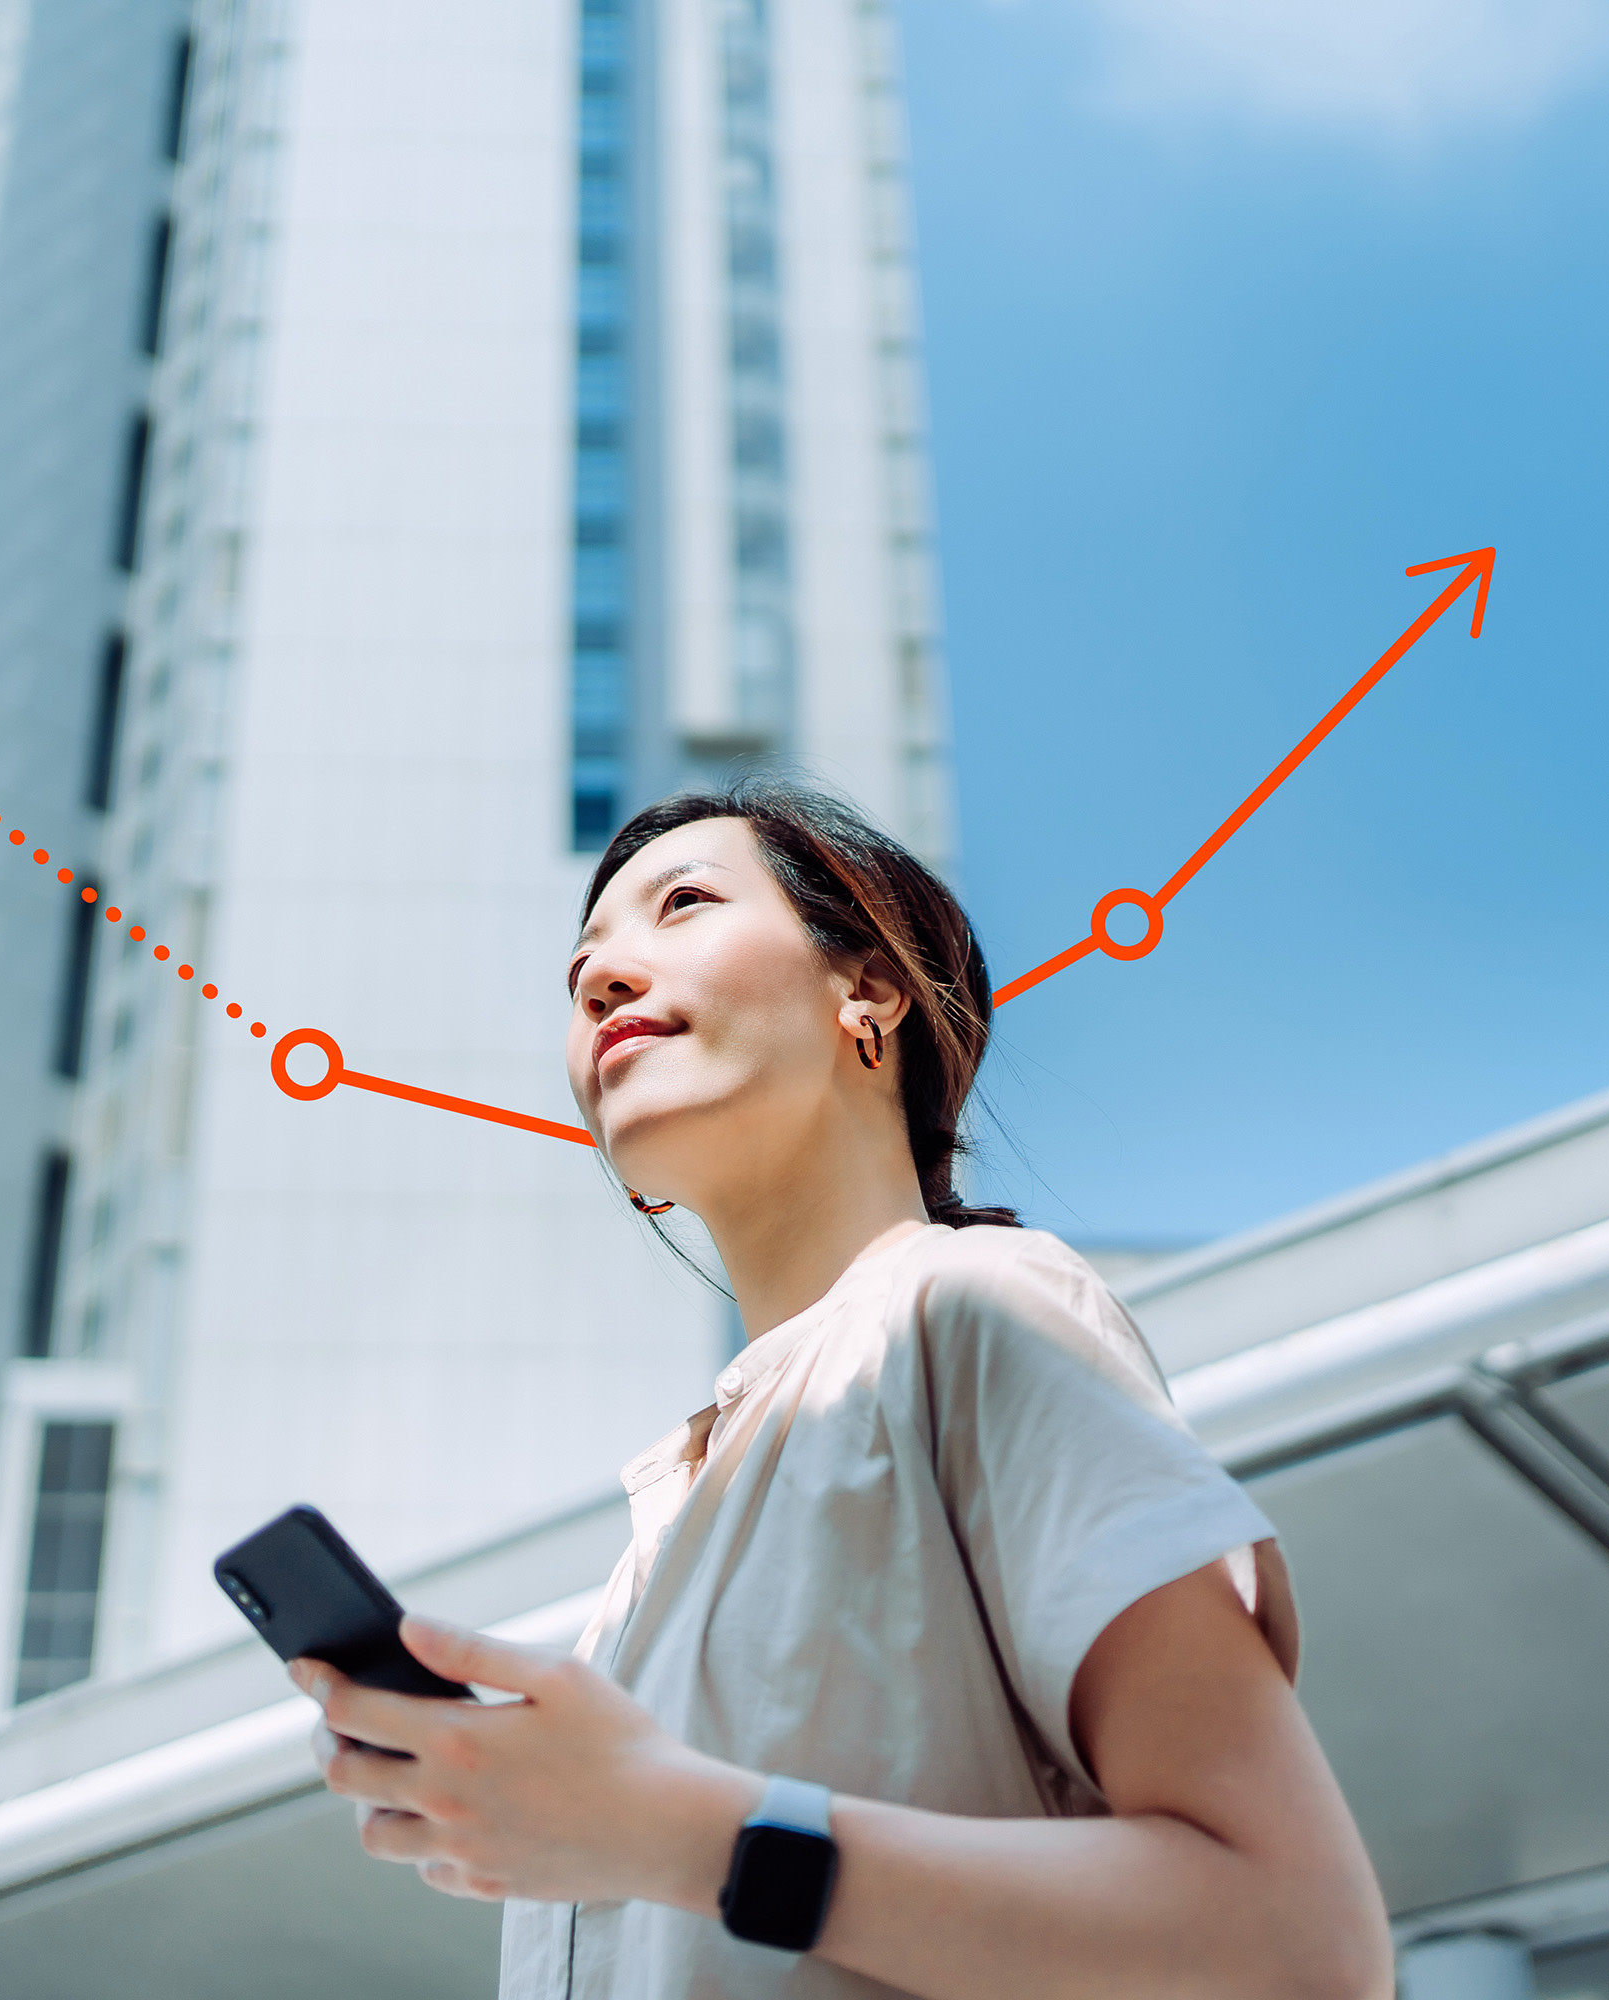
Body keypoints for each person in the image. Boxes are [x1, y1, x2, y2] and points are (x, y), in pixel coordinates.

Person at [294, 780, 1393, 2000]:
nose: (600, 981)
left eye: (686, 904)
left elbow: (1296, 1944)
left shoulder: (976, 1308)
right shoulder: (639, 1569)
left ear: (867, 991)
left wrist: (682, 1833)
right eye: (580, 970)